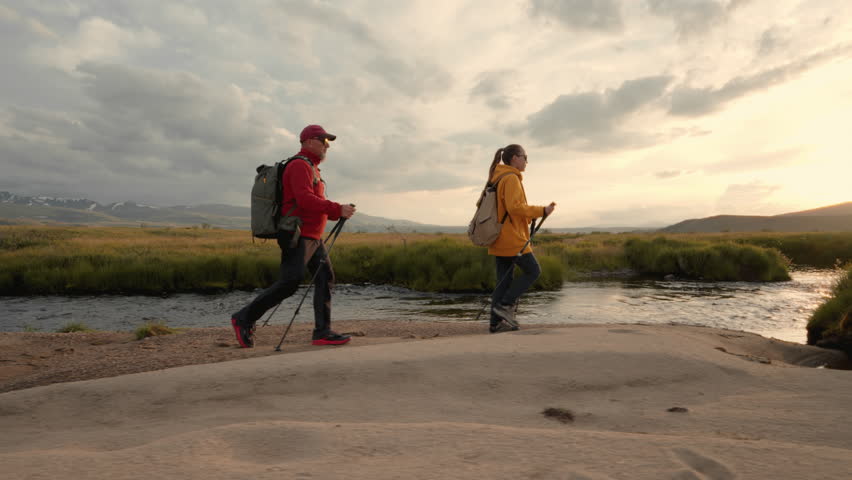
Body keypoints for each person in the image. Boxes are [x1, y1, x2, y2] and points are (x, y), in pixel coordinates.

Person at [231, 124, 356, 348]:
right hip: (297, 236)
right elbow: (304, 199)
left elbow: (310, 204)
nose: (327, 146)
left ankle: (322, 332)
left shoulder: (312, 167)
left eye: (328, 142)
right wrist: (337, 209)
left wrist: (335, 214)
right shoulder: (299, 165)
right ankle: (243, 318)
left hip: (312, 237)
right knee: (289, 283)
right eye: (323, 140)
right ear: (308, 141)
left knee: (325, 278)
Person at [487, 144, 556, 333]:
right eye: (525, 157)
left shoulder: (498, 177)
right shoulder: (510, 178)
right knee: (533, 270)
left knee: (503, 281)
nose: (527, 161)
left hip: (498, 238)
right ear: (515, 158)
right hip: (511, 238)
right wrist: (541, 211)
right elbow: (514, 208)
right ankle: (505, 306)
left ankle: (495, 323)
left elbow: (508, 210)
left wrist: (530, 216)